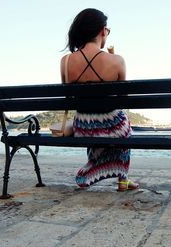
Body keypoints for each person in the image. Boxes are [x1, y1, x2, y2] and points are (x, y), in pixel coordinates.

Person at [60, 8, 138, 191]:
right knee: (124, 124)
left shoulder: (66, 61)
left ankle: (94, 164)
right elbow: (123, 100)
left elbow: (68, 98)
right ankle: (122, 179)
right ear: (103, 30)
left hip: (83, 127)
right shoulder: (117, 61)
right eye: (108, 32)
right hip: (113, 127)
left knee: (96, 122)